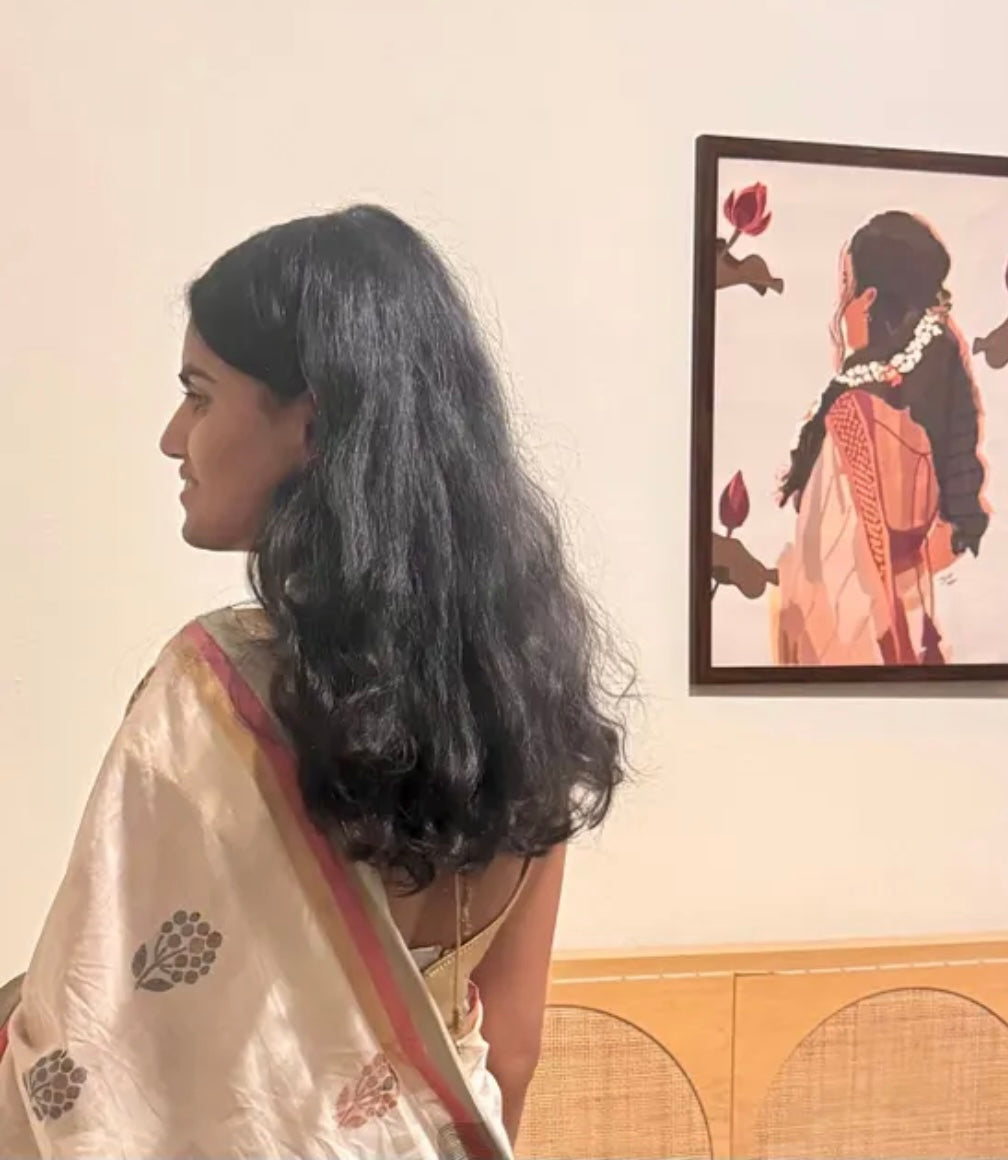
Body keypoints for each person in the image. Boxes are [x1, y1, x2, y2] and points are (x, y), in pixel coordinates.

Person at [0, 206, 627, 1158]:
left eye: (200, 395)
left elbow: (86, 1047)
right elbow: (511, 1045)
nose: (175, 438)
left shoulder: (213, 698)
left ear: (312, 419)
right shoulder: (519, 693)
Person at [771, 211, 990, 667]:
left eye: (846, 283)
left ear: (868, 298)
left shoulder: (855, 413)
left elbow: (829, 573)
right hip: (918, 623)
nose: (840, 303)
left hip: (857, 636)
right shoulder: (926, 403)